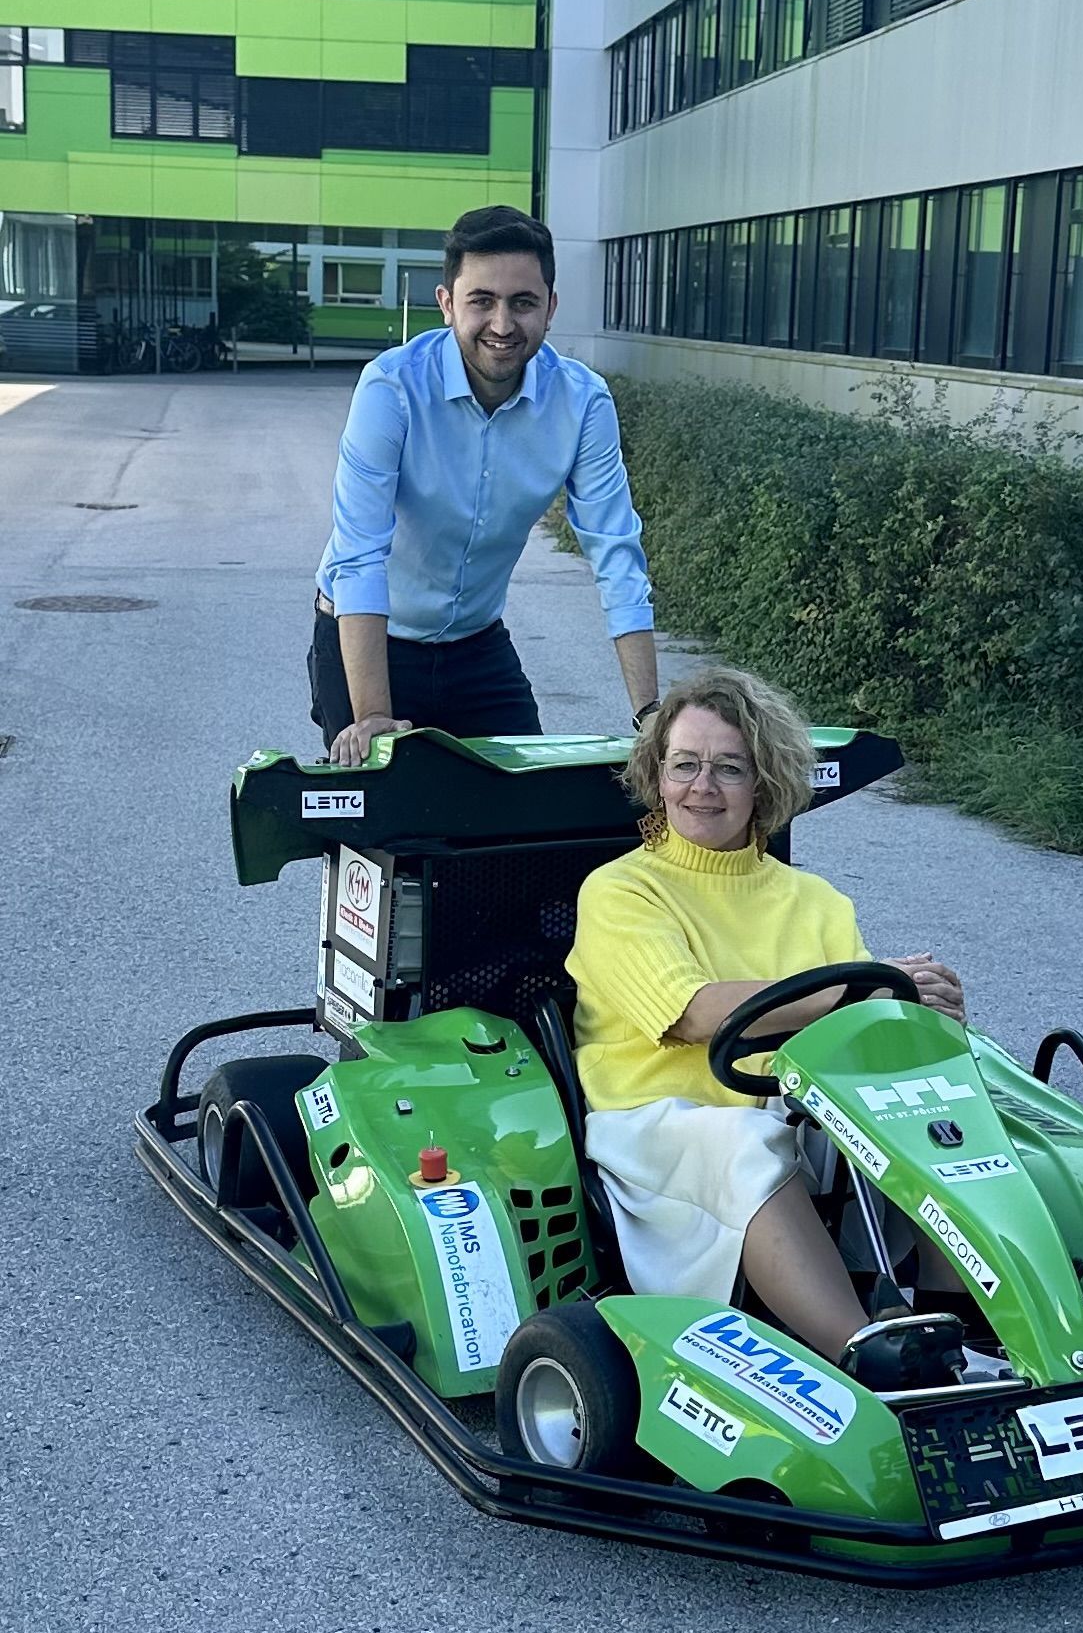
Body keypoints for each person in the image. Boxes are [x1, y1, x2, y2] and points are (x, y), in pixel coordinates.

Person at [565, 666, 967, 1381]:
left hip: (796, 1104)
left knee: (943, 1111)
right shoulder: (621, 890)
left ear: (764, 781)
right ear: (656, 775)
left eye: (728, 768)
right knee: (749, 1140)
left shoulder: (815, 900)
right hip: (656, 1120)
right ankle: (871, 1360)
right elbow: (689, 1013)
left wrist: (919, 1012)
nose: (702, 787)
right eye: (684, 765)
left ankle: (963, 1327)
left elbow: (859, 1023)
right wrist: (862, 989)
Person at [309, 205, 659, 766]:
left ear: (550, 307)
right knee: (390, 826)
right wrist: (373, 715)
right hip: (369, 638)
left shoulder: (582, 402)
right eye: (482, 301)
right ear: (447, 304)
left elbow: (616, 552)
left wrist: (651, 714)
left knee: (523, 815)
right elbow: (359, 555)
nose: (502, 324)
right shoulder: (391, 388)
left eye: (523, 302)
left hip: (477, 643)